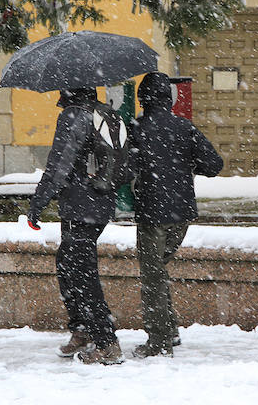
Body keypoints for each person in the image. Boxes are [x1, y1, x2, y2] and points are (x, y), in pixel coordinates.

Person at [26, 87, 124, 365]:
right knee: (68, 264)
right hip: (99, 203)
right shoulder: (105, 114)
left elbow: (59, 164)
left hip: (81, 206)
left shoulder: (74, 116)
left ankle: (107, 344)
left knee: (81, 274)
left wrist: (38, 203)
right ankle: (82, 329)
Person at [129, 72, 223, 357]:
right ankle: (168, 330)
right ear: (168, 99)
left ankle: (159, 341)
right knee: (158, 270)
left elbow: (127, 168)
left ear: (142, 99)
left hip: (151, 212)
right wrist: (184, 165)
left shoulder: (137, 128)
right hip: (181, 213)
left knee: (152, 275)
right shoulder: (184, 127)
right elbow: (214, 164)